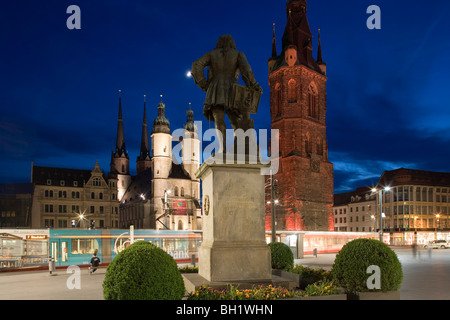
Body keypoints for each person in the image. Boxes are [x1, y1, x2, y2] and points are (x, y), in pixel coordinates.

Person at [192, 34, 262, 153]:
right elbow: (247, 72)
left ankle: (222, 149)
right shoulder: (238, 54)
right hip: (232, 89)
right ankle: (241, 146)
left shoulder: (212, 54)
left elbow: (196, 65)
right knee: (236, 120)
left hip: (215, 88)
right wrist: (255, 85)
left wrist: (203, 84)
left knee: (219, 119)